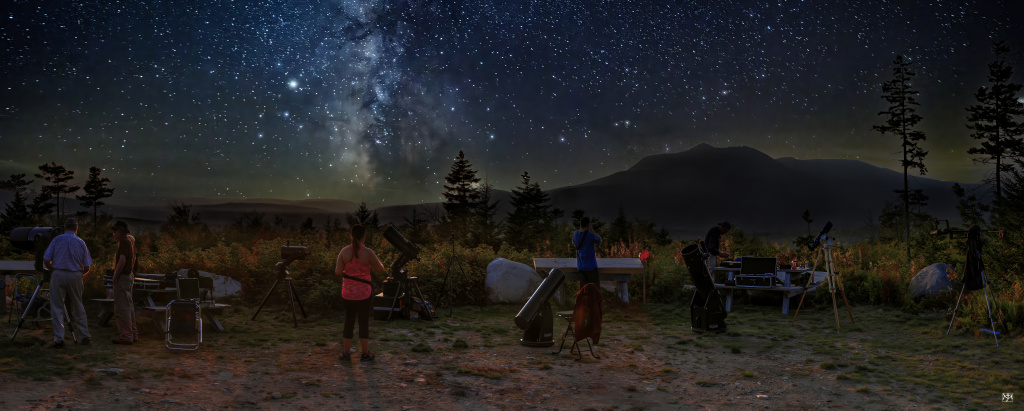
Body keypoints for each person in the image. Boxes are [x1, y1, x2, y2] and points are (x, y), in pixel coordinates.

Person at [335, 224, 385, 361]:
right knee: (363, 322)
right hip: (364, 293)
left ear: (351, 236)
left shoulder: (344, 252)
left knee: (349, 321)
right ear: (364, 236)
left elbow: (338, 272)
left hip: (348, 293)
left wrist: (350, 272)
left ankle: (345, 353)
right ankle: (365, 353)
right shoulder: (368, 252)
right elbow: (380, 269)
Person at [42, 218, 93, 348]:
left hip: (58, 273)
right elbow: (87, 267)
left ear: (65, 228)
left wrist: (53, 268)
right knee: (78, 305)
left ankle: (59, 339)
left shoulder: (57, 240)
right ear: (76, 228)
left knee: (57, 307)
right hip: (75, 275)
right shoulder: (81, 242)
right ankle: (85, 336)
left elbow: (46, 260)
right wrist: (77, 272)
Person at [111, 220, 138, 345]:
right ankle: (133, 333)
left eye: (115, 231)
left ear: (120, 230)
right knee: (129, 306)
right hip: (129, 277)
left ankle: (126, 336)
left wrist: (115, 276)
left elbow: (122, 260)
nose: (114, 234)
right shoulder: (129, 241)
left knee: (122, 308)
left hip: (123, 278)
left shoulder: (124, 242)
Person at [573, 217, 602, 288]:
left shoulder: (575, 234)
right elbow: (599, 240)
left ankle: (584, 299)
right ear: (589, 225)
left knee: (584, 289)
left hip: (580, 266)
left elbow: (575, 245)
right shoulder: (590, 235)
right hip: (591, 266)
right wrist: (592, 230)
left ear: (581, 224)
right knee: (595, 288)